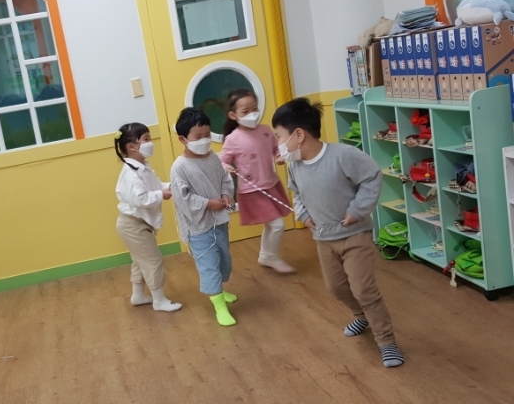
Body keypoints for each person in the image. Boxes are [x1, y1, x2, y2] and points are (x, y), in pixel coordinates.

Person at [272, 98, 404, 368]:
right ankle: (361, 316)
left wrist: (358, 209)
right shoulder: (295, 164)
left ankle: (386, 341)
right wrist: (303, 215)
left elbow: (372, 176)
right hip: (324, 239)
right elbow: (297, 192)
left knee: (364, 289)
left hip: (355, 236)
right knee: (336, 288)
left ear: (299, 135)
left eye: (279, 136)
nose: (278, 144)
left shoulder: (342, 156)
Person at [170, 108, 237, 326]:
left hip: (219, 223)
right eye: (198, 137)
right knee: (209, 265)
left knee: (224, 261)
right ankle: (219, 306)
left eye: (207, 135)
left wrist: (226, 195)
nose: (204, 140)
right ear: (183, 139)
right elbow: (183, 198)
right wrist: (208, 203)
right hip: (198, 228)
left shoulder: (213, 158)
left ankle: (219, 291)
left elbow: (225, 179)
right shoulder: (180, 167)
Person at [220, 89, 295, 273]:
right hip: (253, 191)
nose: (252, 114)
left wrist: (279, 157)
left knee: (271, 224)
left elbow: (276, 149)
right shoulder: (232, 139)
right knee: (277, 225)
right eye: (245, 111)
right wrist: (226, 167)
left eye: (254, 108)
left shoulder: (266, 130)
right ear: (233, 115)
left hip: (271, 184)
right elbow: (222, 161)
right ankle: (271, 257)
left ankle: (265, 255)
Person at [114, 123, 182, 312]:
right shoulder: (130, 173)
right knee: (153, 260)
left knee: (140, 259)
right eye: (146, 139)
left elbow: (156, 185)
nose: (150, 143)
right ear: (132, 146)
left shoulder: (143, 167)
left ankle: (137, 295)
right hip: (132, 224)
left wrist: (171, 186)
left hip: (138, 223)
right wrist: (161, 194)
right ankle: (159, 300)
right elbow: (140, 198)